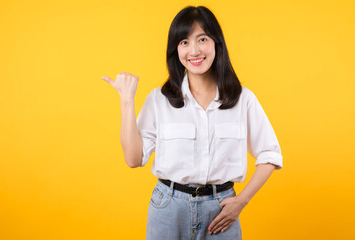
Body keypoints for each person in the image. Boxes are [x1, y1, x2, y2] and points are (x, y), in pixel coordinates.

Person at [102, 5, 283, 240]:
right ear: (175, 50)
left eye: (202, 39)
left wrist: (241, 201)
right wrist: (126, 100)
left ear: (216, 43)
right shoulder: (159, 99)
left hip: (221, 210)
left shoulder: (243, 99)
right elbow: (133, 159)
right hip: (168, 208)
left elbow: (270, 154)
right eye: (184, 42)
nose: (194, 50)